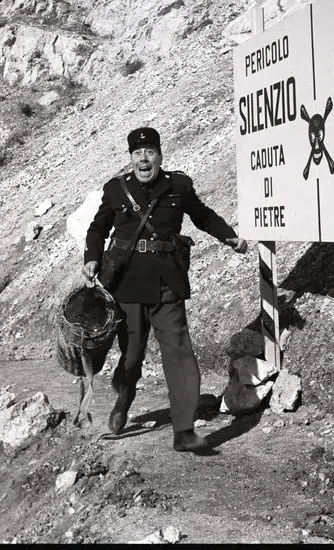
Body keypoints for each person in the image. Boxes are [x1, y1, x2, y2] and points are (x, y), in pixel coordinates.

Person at [82, 127, 248, 453]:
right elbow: (97, 229)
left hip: (167, 283)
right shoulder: (116, 190)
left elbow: (202, 216)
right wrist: (91, 258)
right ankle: (125, 398)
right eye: (137, 153)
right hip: (127, 287)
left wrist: (228, 236)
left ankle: (184, 431)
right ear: (130, 159)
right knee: (130, 359)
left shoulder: (178, 186)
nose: (144, 158)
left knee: (180, 356)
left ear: (159, 155)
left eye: (150, 152)